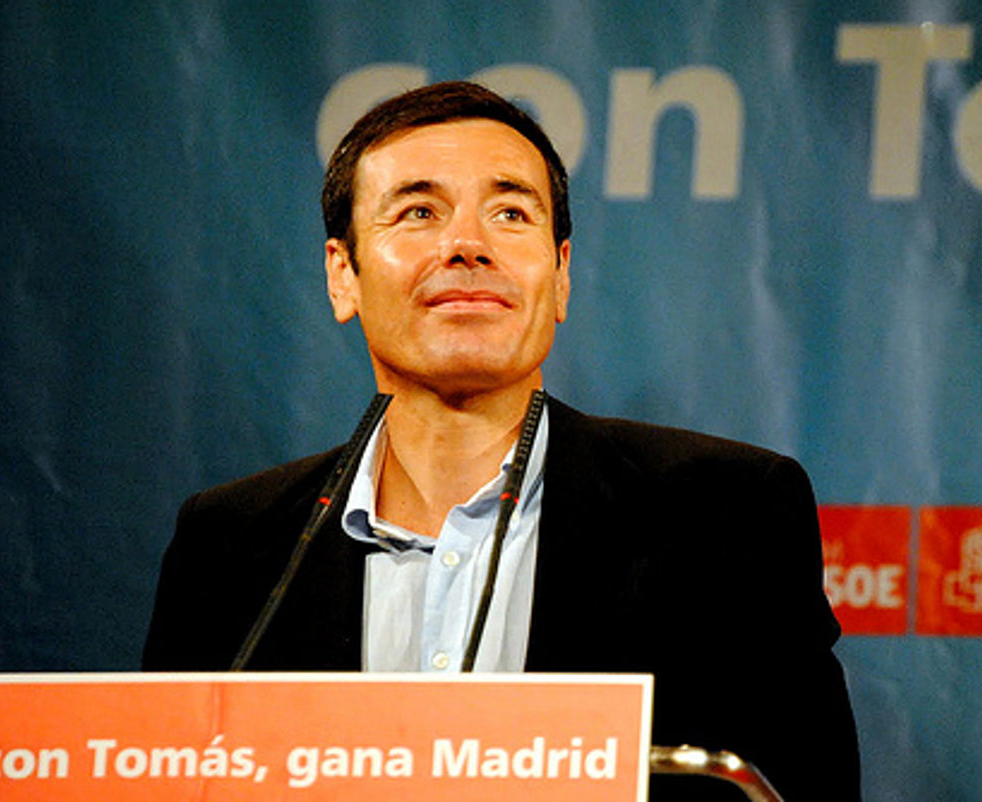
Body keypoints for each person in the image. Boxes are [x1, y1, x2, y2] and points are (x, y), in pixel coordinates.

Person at [144, 81, 860, 799]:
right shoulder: (232, 543)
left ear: (561, 276)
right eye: (419, 212)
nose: (467, 246)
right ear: (343, 275)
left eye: (511, 213)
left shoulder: (722, 514)